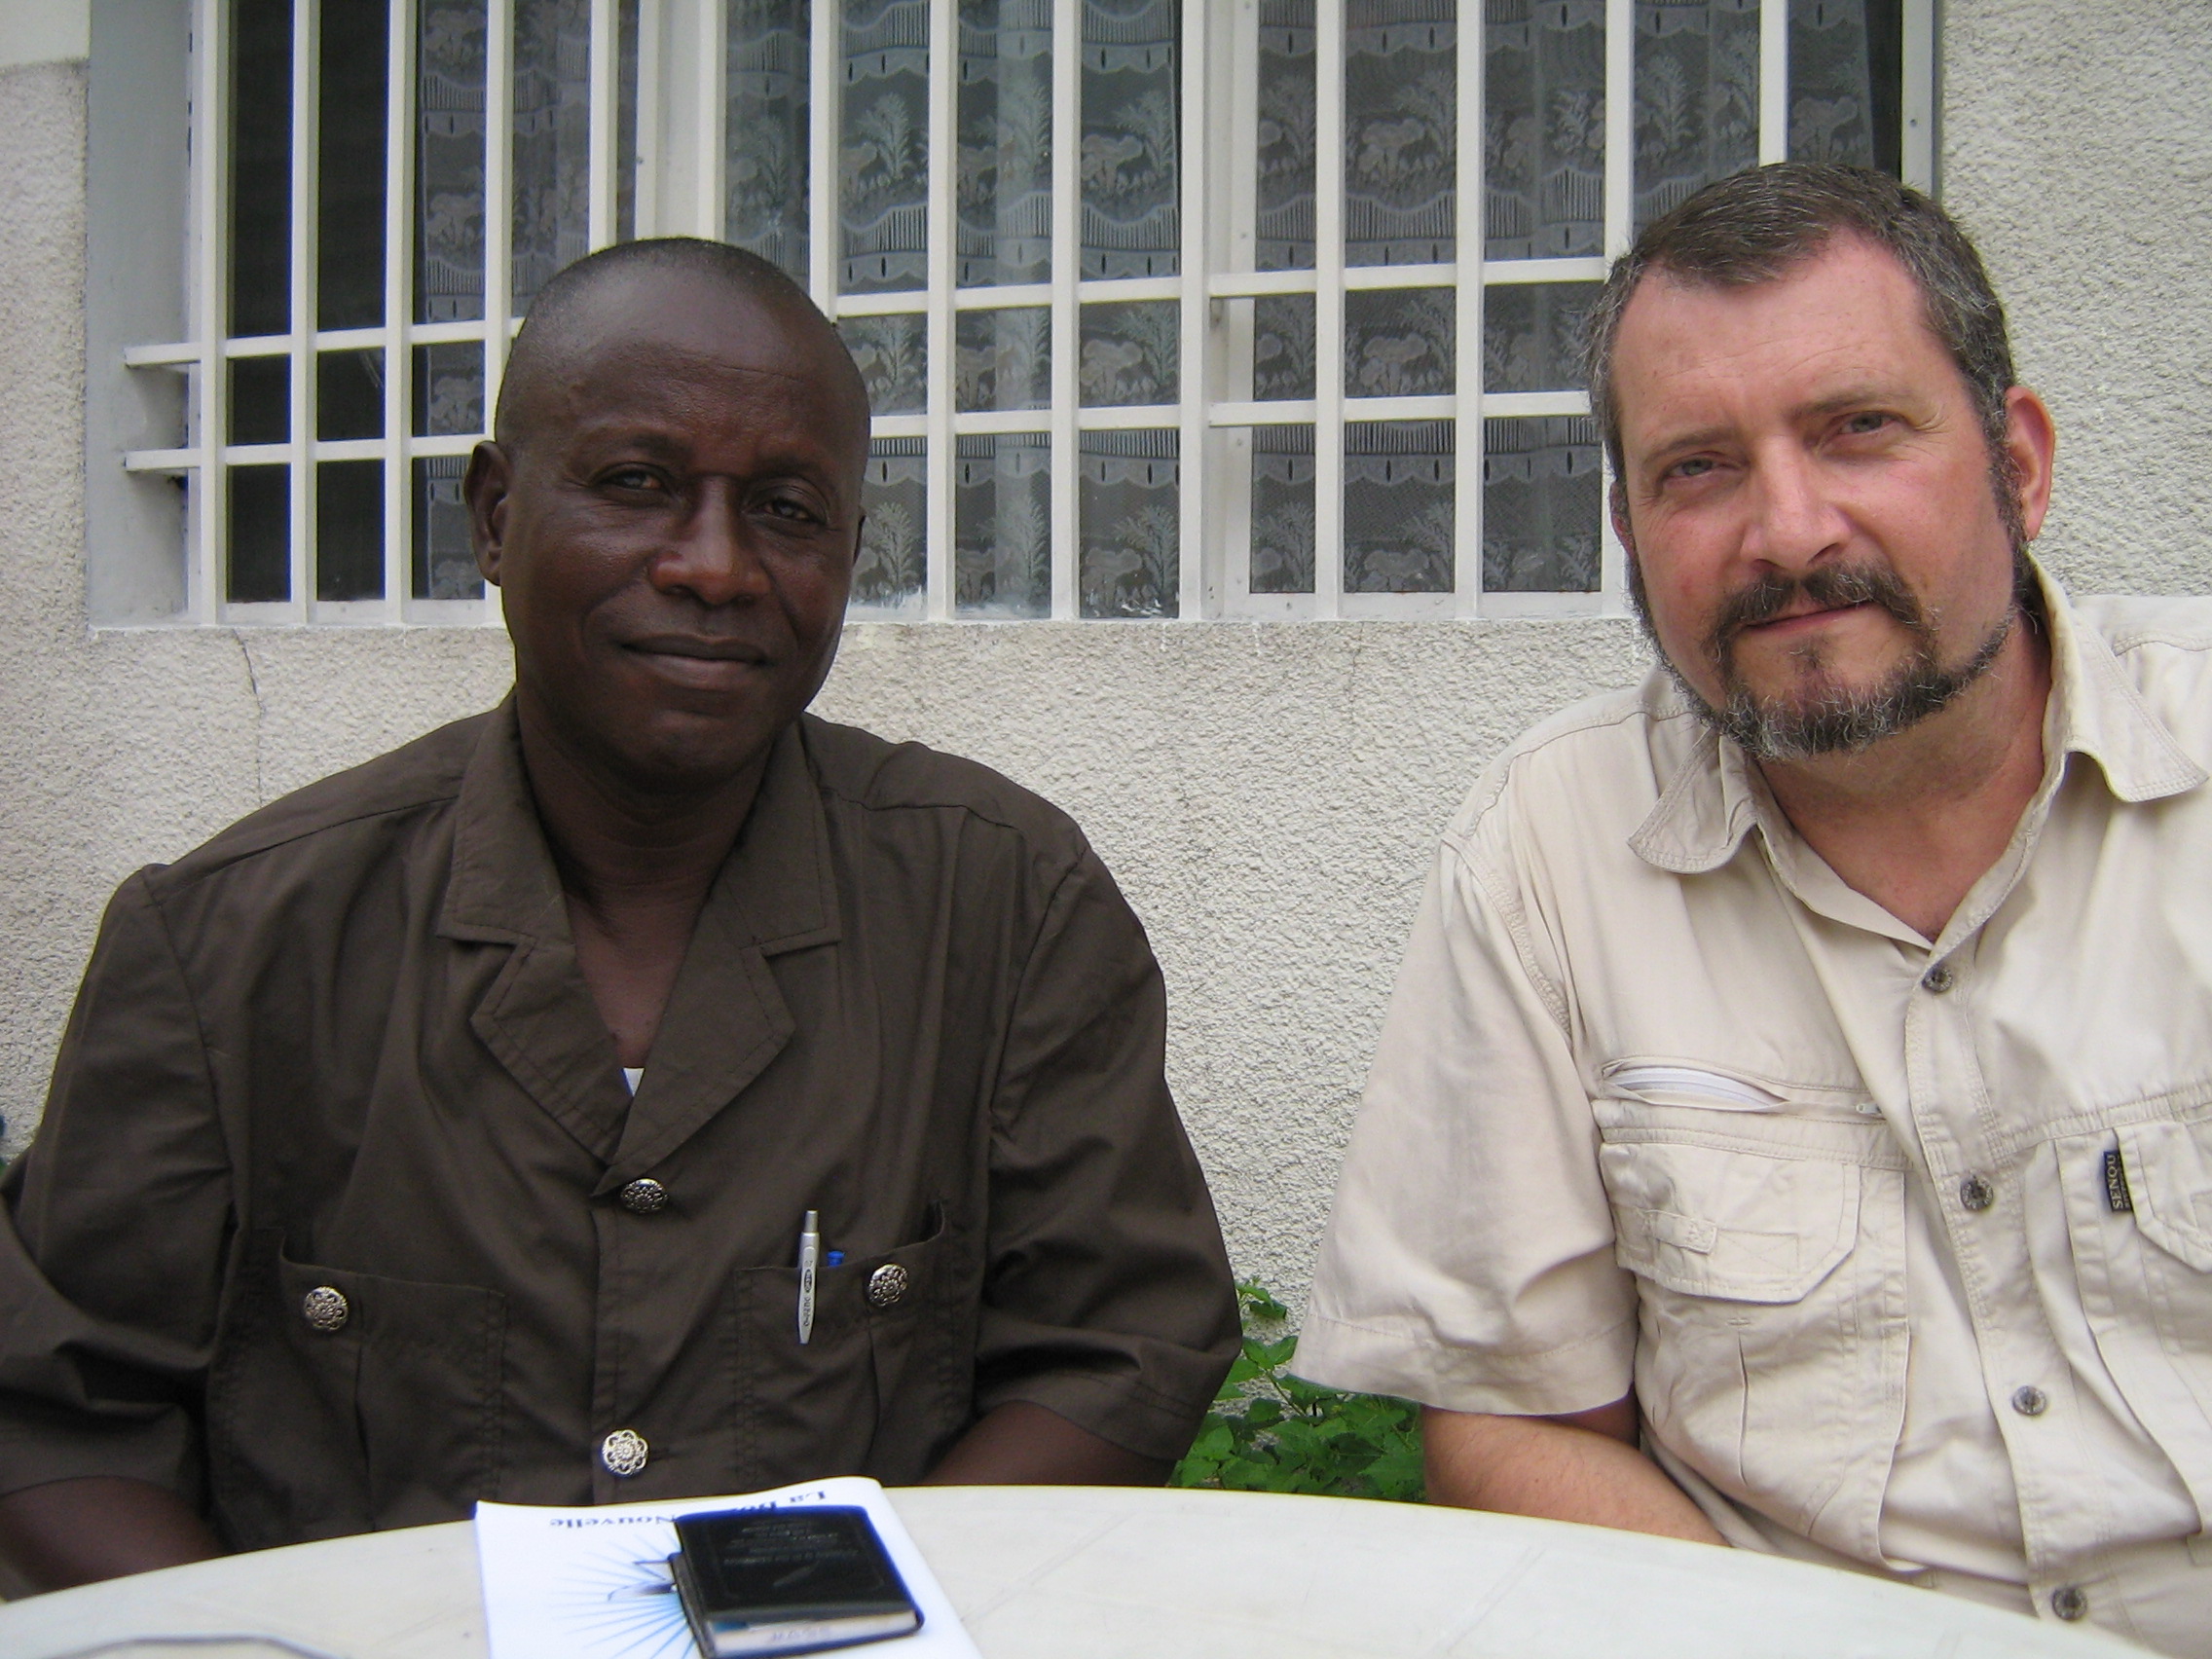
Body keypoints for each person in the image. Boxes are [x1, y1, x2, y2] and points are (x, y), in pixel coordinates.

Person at [0, 238, 1238, 1590]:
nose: (714, 567)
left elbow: (1119, 1348)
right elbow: (58, 1425)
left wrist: (823, 1609)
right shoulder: (226, 948)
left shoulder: (1000, 908)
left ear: (847, 552)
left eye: (785, 509)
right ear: (494, 516)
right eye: (638, 484)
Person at [1297, 163, 2212, 1654]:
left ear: (2019, 465)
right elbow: (1511, 1424)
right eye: (1699, 470)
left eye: (1858, 430)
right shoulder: (1546, 850)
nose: (1786, 531)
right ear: (1629, 533)